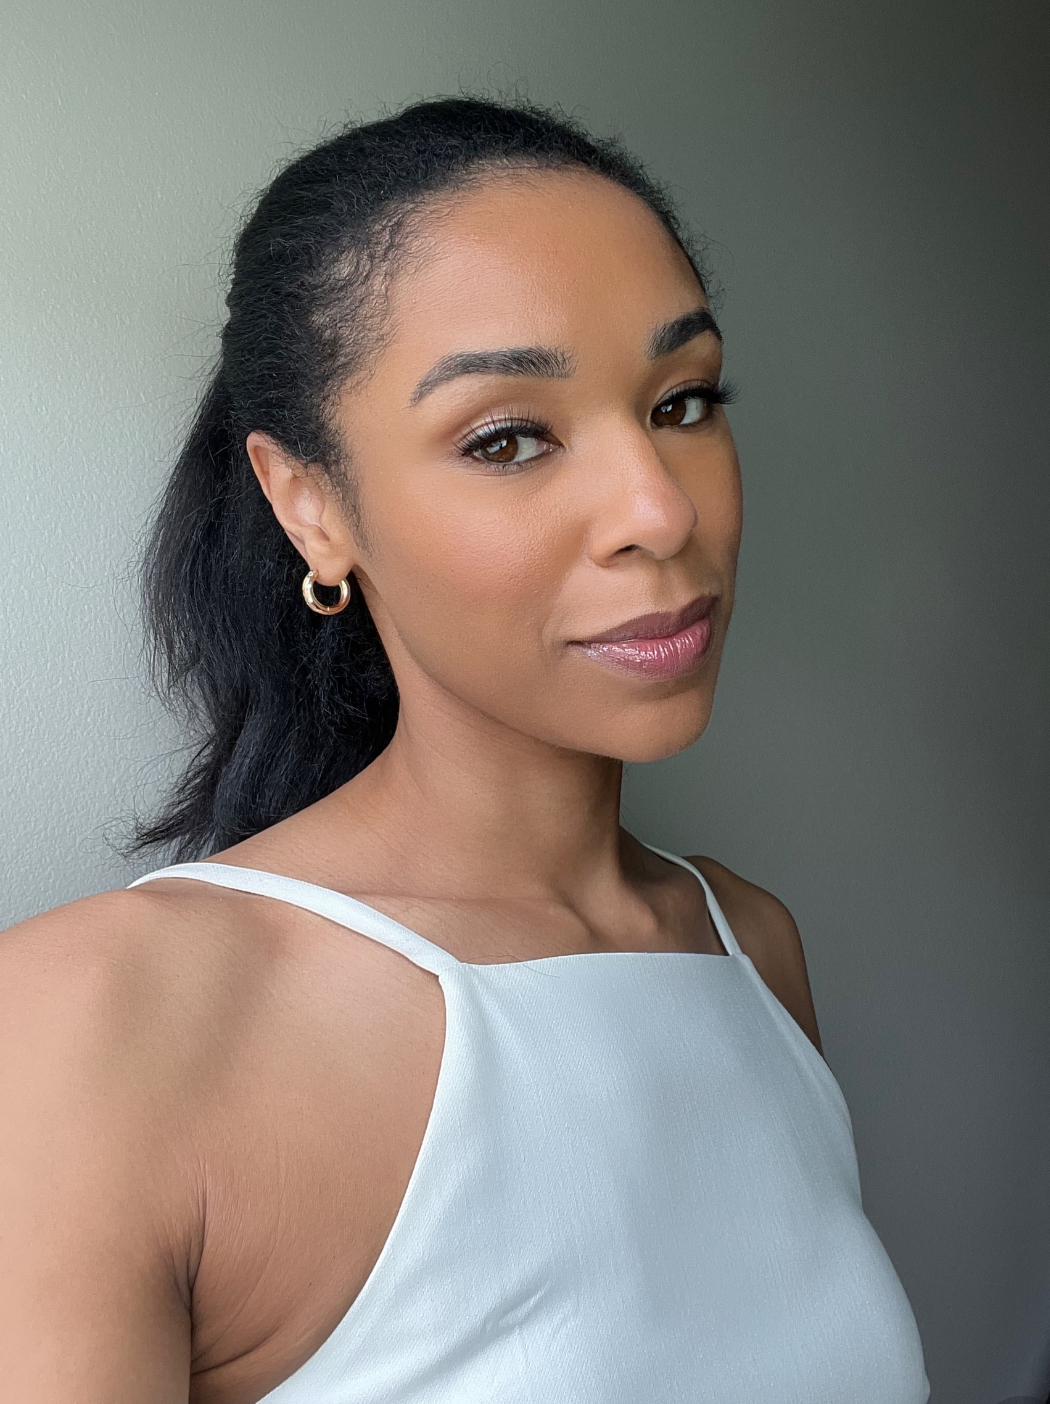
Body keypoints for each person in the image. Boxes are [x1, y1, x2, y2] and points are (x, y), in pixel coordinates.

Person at [0, 97, 930, 1402]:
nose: (660, 511)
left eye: (683, 401)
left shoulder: (749, 949)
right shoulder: (91, 1026)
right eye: (507, 438)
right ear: (309, 504)